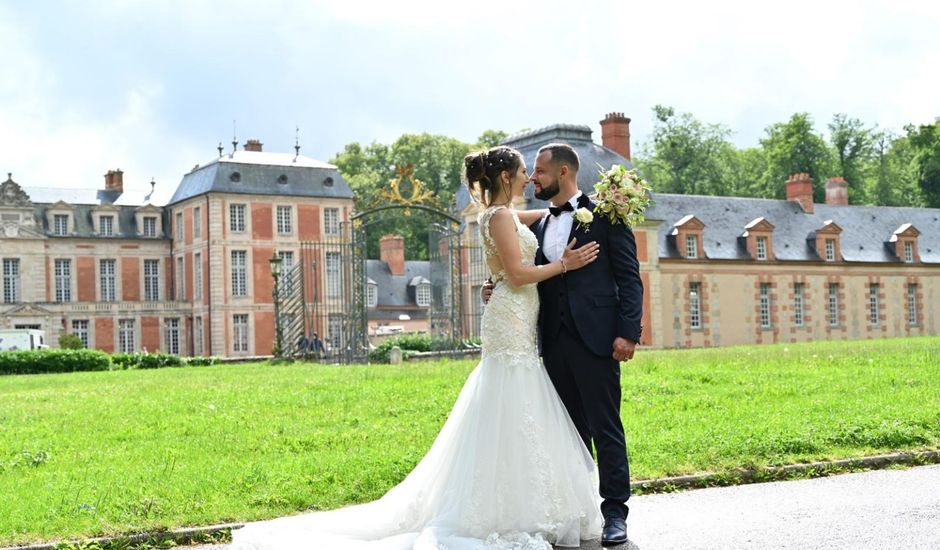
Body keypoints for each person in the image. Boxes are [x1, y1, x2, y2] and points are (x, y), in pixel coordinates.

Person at [230, 145, 603, 549]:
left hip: (519, 314)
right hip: (510, 316)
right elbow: (515, 273)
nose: (529, 178)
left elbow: (549, 217)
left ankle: (526, 500)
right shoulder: (496, 217)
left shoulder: (507, 215)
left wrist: (593, 206)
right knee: (512, 397)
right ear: (505, 178)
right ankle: (500, 507)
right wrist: (566, 264)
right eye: (522, 171)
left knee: (523, 403)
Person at [487, 143, 644, 545]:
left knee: (606, 428)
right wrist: (498, 284)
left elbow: (630, 278)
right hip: (550, 343)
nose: (533, 178)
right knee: (566, 431)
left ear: (563, 173)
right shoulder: (537, 225)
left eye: (539, 171)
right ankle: (577, 511)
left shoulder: (607, 217)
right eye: (531, 171)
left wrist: (628, 332)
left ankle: (614, 514)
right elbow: (522, 268)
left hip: (597, 339)